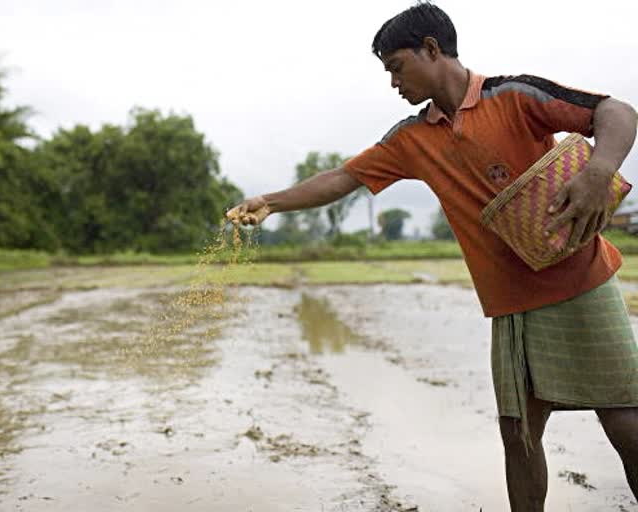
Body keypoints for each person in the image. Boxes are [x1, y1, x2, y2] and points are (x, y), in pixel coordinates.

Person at [225, 2, 638, 510]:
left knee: (627, 423)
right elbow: (343, 177)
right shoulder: (412, 138)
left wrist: (598, 174)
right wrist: (271, 202)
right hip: (511, 306)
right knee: (520, 438)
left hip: (581, 280)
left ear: (432, 49)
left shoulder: (513, 95)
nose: (393, 84)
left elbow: (615, 110)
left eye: (397, 68)